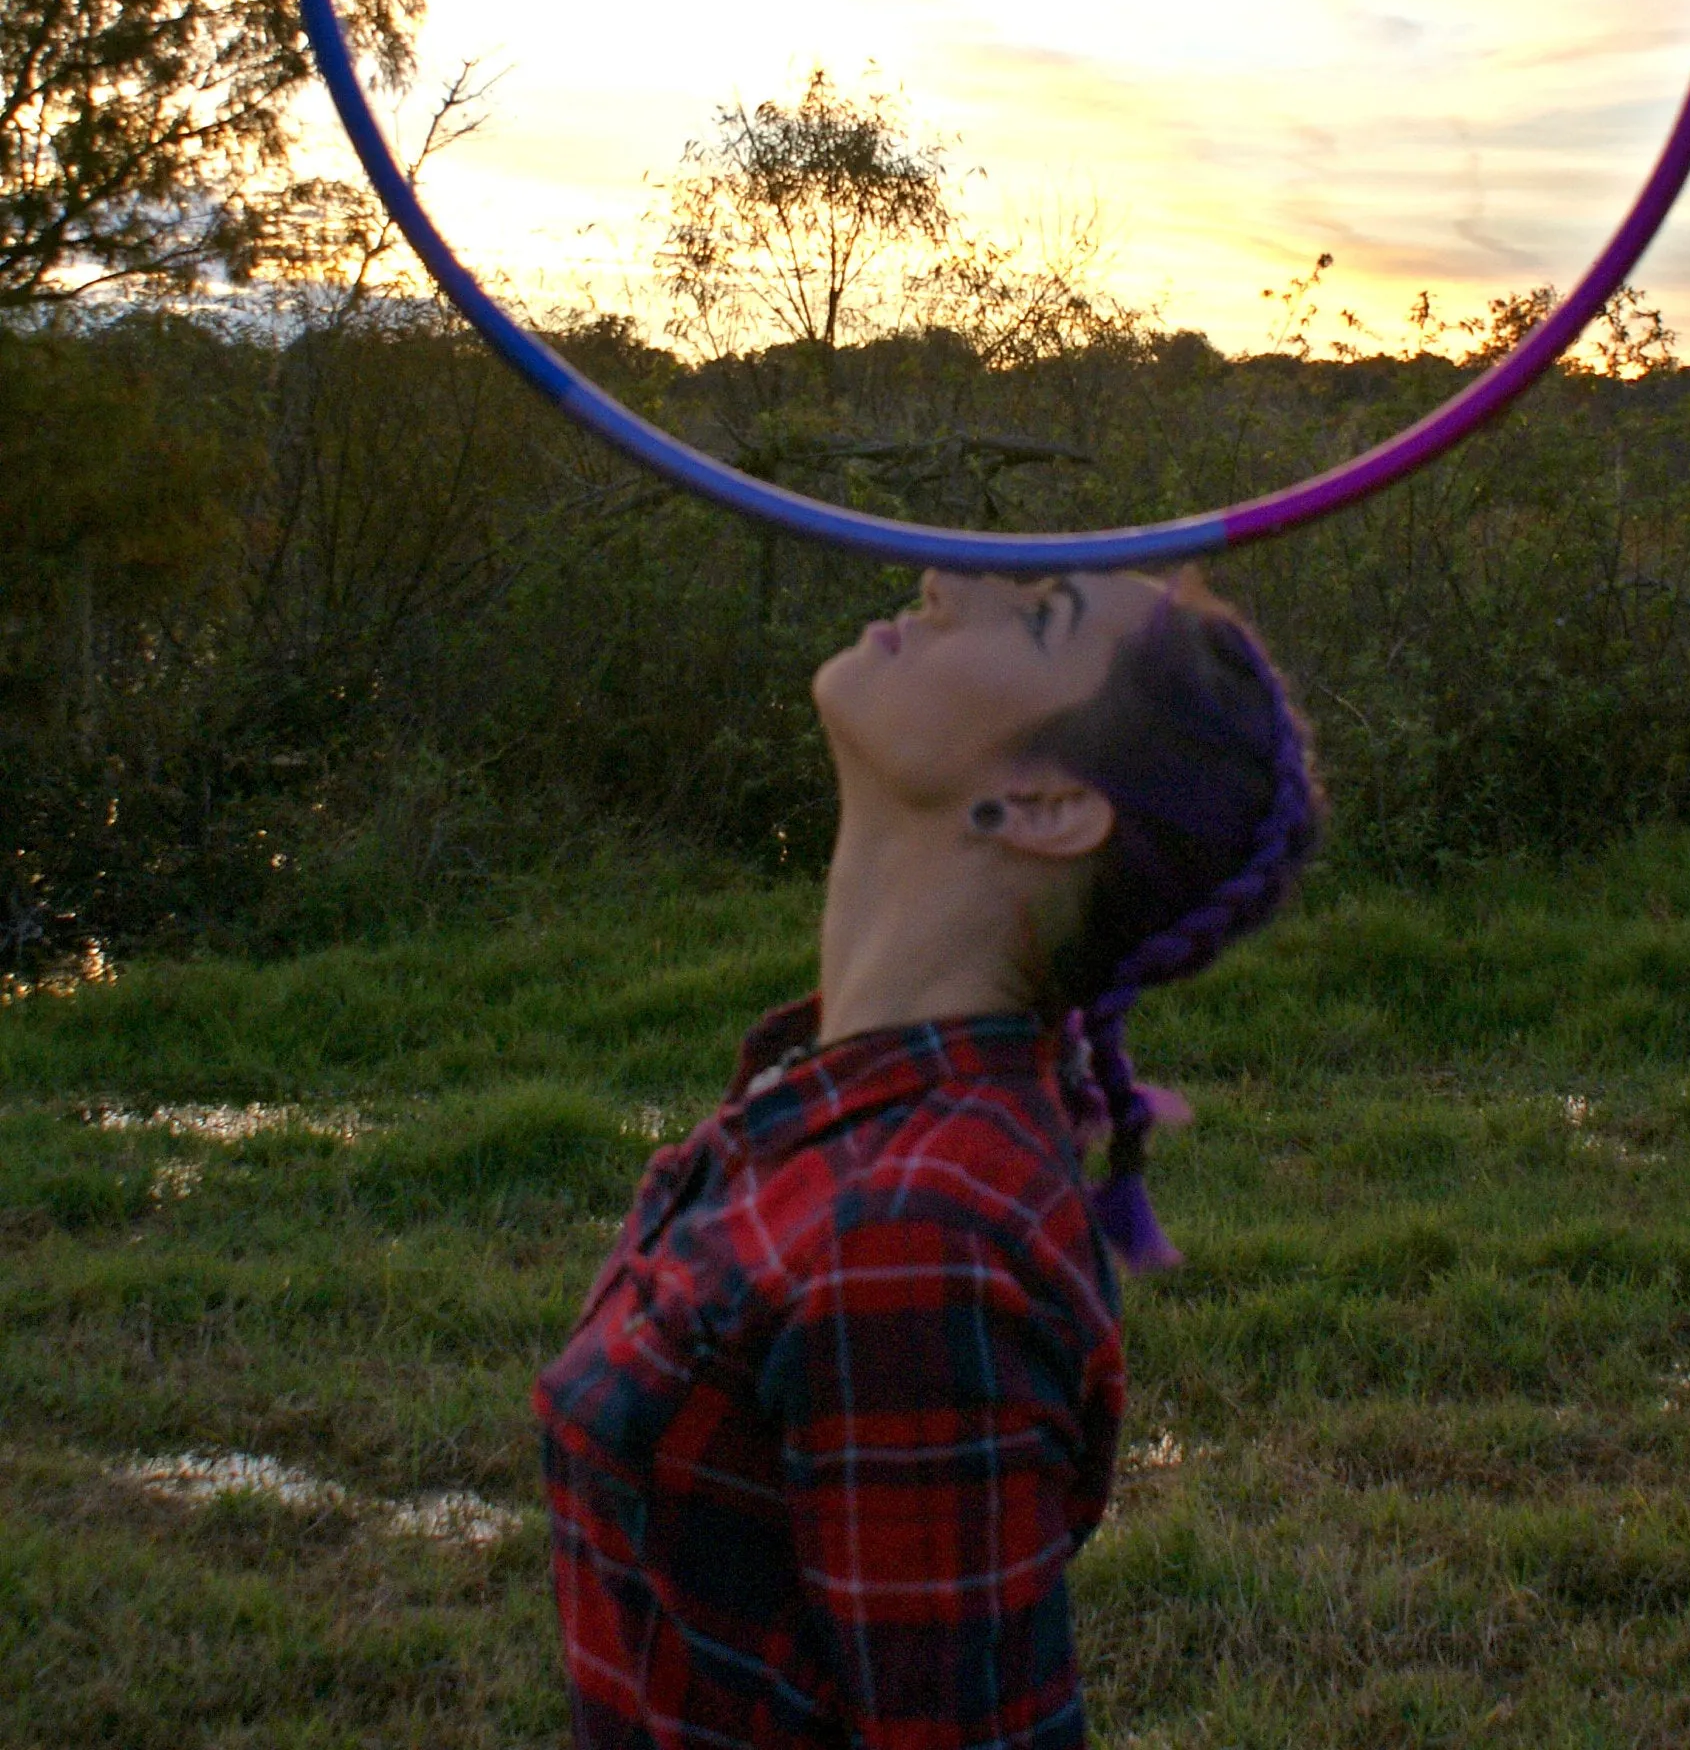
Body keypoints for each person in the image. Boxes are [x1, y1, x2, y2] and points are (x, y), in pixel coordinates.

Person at [537, 563, 1324, 1749]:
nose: (945, 575)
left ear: (1046, 804)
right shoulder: (826, 1097)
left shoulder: (917, 1231)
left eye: (1041, 616)